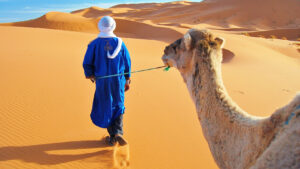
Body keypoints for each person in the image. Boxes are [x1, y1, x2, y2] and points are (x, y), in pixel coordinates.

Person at [83, 16, 131, 146]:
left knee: (106, 105)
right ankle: (117, 133)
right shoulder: (120, 43)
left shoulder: (93, 44)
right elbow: (127, 62)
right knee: (118, 104)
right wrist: (127, 79)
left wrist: (91, 75)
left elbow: (87, 63)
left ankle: (113, 136)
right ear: (113, 26)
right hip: (118, 81)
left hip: (102, 82)